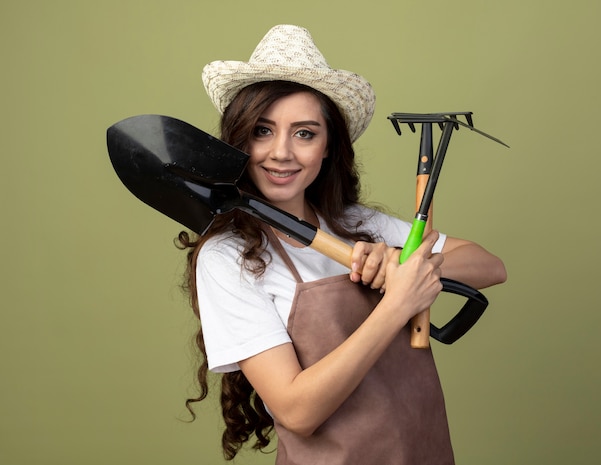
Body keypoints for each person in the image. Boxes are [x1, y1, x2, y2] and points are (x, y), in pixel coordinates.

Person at [178, 24, 506, 465]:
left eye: (304, 133)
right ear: (239, 139)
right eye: (262, 130)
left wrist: (402, 262)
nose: (281, 153)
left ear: (329, 146)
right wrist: (395, 305)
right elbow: (297, 411)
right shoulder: (228, 258)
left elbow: (489, 267)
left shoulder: (357, 224)